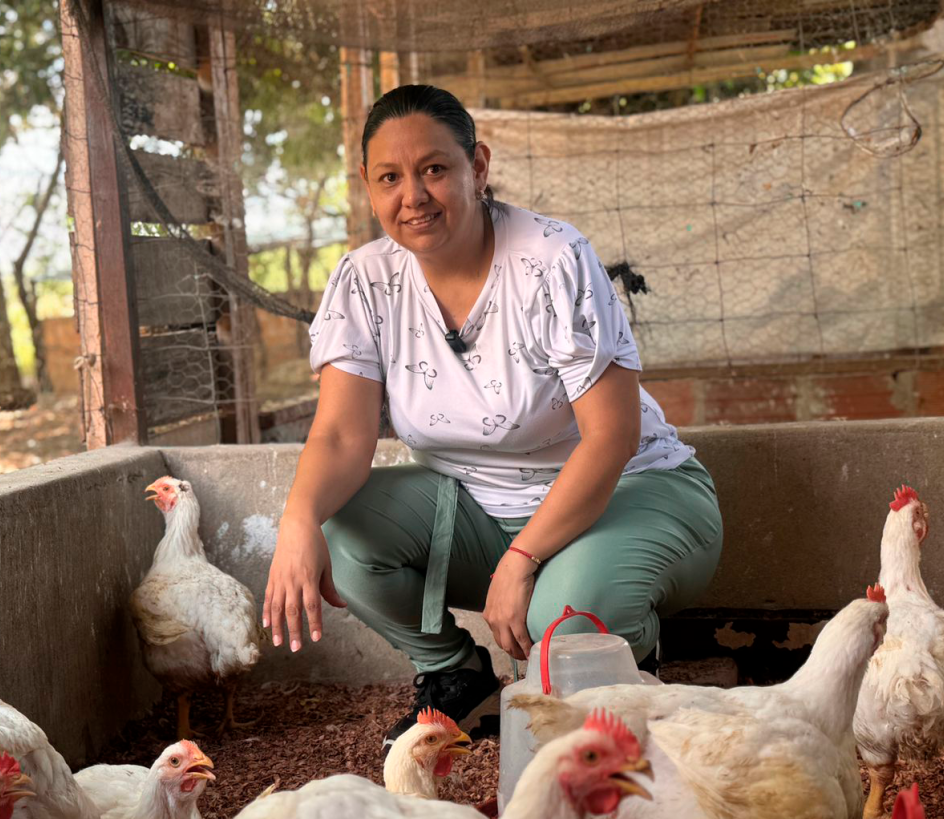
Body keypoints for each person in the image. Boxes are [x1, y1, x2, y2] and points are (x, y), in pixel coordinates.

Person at [262, 85, 723, 747]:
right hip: (480, 510)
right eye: (390, 178)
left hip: (631, 492)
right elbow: (339, 434)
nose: (412, 196)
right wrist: (296, 520)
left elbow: (613, 436)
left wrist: (522, 560)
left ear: (477, 167)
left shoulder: (551, 259)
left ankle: (627, 665)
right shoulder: (364, 281)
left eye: (434, 170)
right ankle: (455, 676)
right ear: (367, 185)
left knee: (562, 627)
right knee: (341, 531)